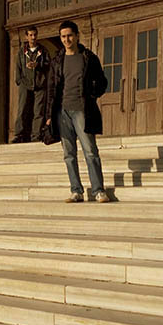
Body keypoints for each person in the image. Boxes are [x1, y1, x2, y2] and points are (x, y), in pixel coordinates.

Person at [45, 20, 110, 203]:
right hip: (62, 112)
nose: (67, 39)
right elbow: (51, 88)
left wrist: (92, 96)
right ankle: (76, 191)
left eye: (70, 36)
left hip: (82, 110)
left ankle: (98, 191)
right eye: (63, 36)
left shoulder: (88, 57)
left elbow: (102, 82)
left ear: (77, 36)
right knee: (69, 154)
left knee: (90, 151)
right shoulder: (57, 60)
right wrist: (49, 116)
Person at [12, 26, 51, 143]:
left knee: (38, 111)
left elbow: (49, 65)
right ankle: (20, 135)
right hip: (25, 84)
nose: (33, 37)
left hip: (40, 85)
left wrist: (38, 66)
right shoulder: (21, 51)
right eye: (30, 35)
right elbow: (18, 67)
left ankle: (36, 136)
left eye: (35, 35)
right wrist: (19, 80)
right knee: (22, 109)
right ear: (26, 36)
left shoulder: (43, 51)